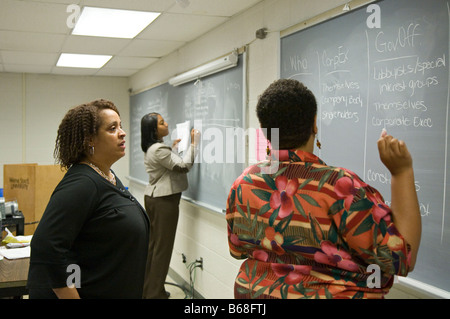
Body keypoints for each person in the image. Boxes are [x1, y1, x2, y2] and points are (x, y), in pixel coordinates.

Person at [226, 79, 421, 299]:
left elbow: (237, 249)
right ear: (315, 124)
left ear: (264, 131)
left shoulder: (243, 183)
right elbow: (402, 258)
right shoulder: (340, 187)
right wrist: (401, 173)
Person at [27, 99, 150, 299]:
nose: (122, 132)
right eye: (112, 128)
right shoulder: (82, 183)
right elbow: (47, 248)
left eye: (121, 126)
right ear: (90, 139)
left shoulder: (106, 176)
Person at [141, 112, 200, 299]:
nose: (166, 123)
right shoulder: (159, 149)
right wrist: (194, 143)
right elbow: (183, 166)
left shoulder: (154, 148)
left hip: (155, 199)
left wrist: (172, 148)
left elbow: (166, 167)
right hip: (164, 201)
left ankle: (149, 289)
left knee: (155, 246)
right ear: (154, 130)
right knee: (163, 248)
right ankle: (155, 294)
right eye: (161, 122)